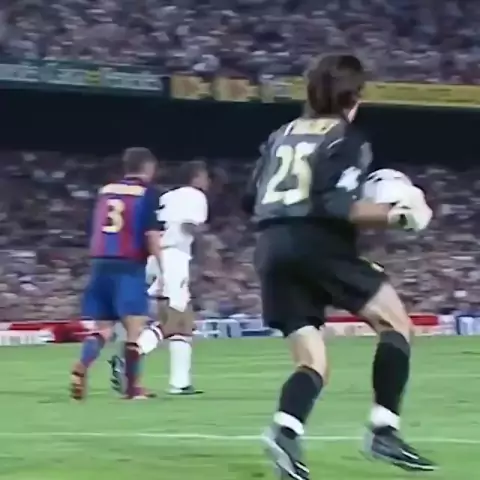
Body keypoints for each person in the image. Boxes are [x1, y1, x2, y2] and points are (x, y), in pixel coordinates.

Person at [242, 53, 437, 479]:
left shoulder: (280, 135)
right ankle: (384, 430)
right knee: (396, 324)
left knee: (312, 361)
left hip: (270, 247)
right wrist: (397, 215)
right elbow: (337, 206)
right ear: (354, 96)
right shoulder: (347, 137)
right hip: (317, 242)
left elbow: (248, 199)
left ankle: (285, 431)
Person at [109, 160, 210, 395]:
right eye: (205, 176)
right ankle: (131, 356)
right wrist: (207, 246)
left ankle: (180, 383)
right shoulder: (194, 195)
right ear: (196, 177)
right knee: (174, 319)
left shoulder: (167, 197)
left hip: (155, 256)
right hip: (173, 257)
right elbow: (189, 226)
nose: (207, 181)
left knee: (183, 323)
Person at [70, 147, 163, 400]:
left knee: (103, 328)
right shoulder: (148, 193)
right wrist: (162, 267)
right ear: (149, 167)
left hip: (100, 262)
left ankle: (82, 365)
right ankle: (133, 389)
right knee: (134, 329)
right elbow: (151, 235)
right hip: (128, 265)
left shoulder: (106, 190)